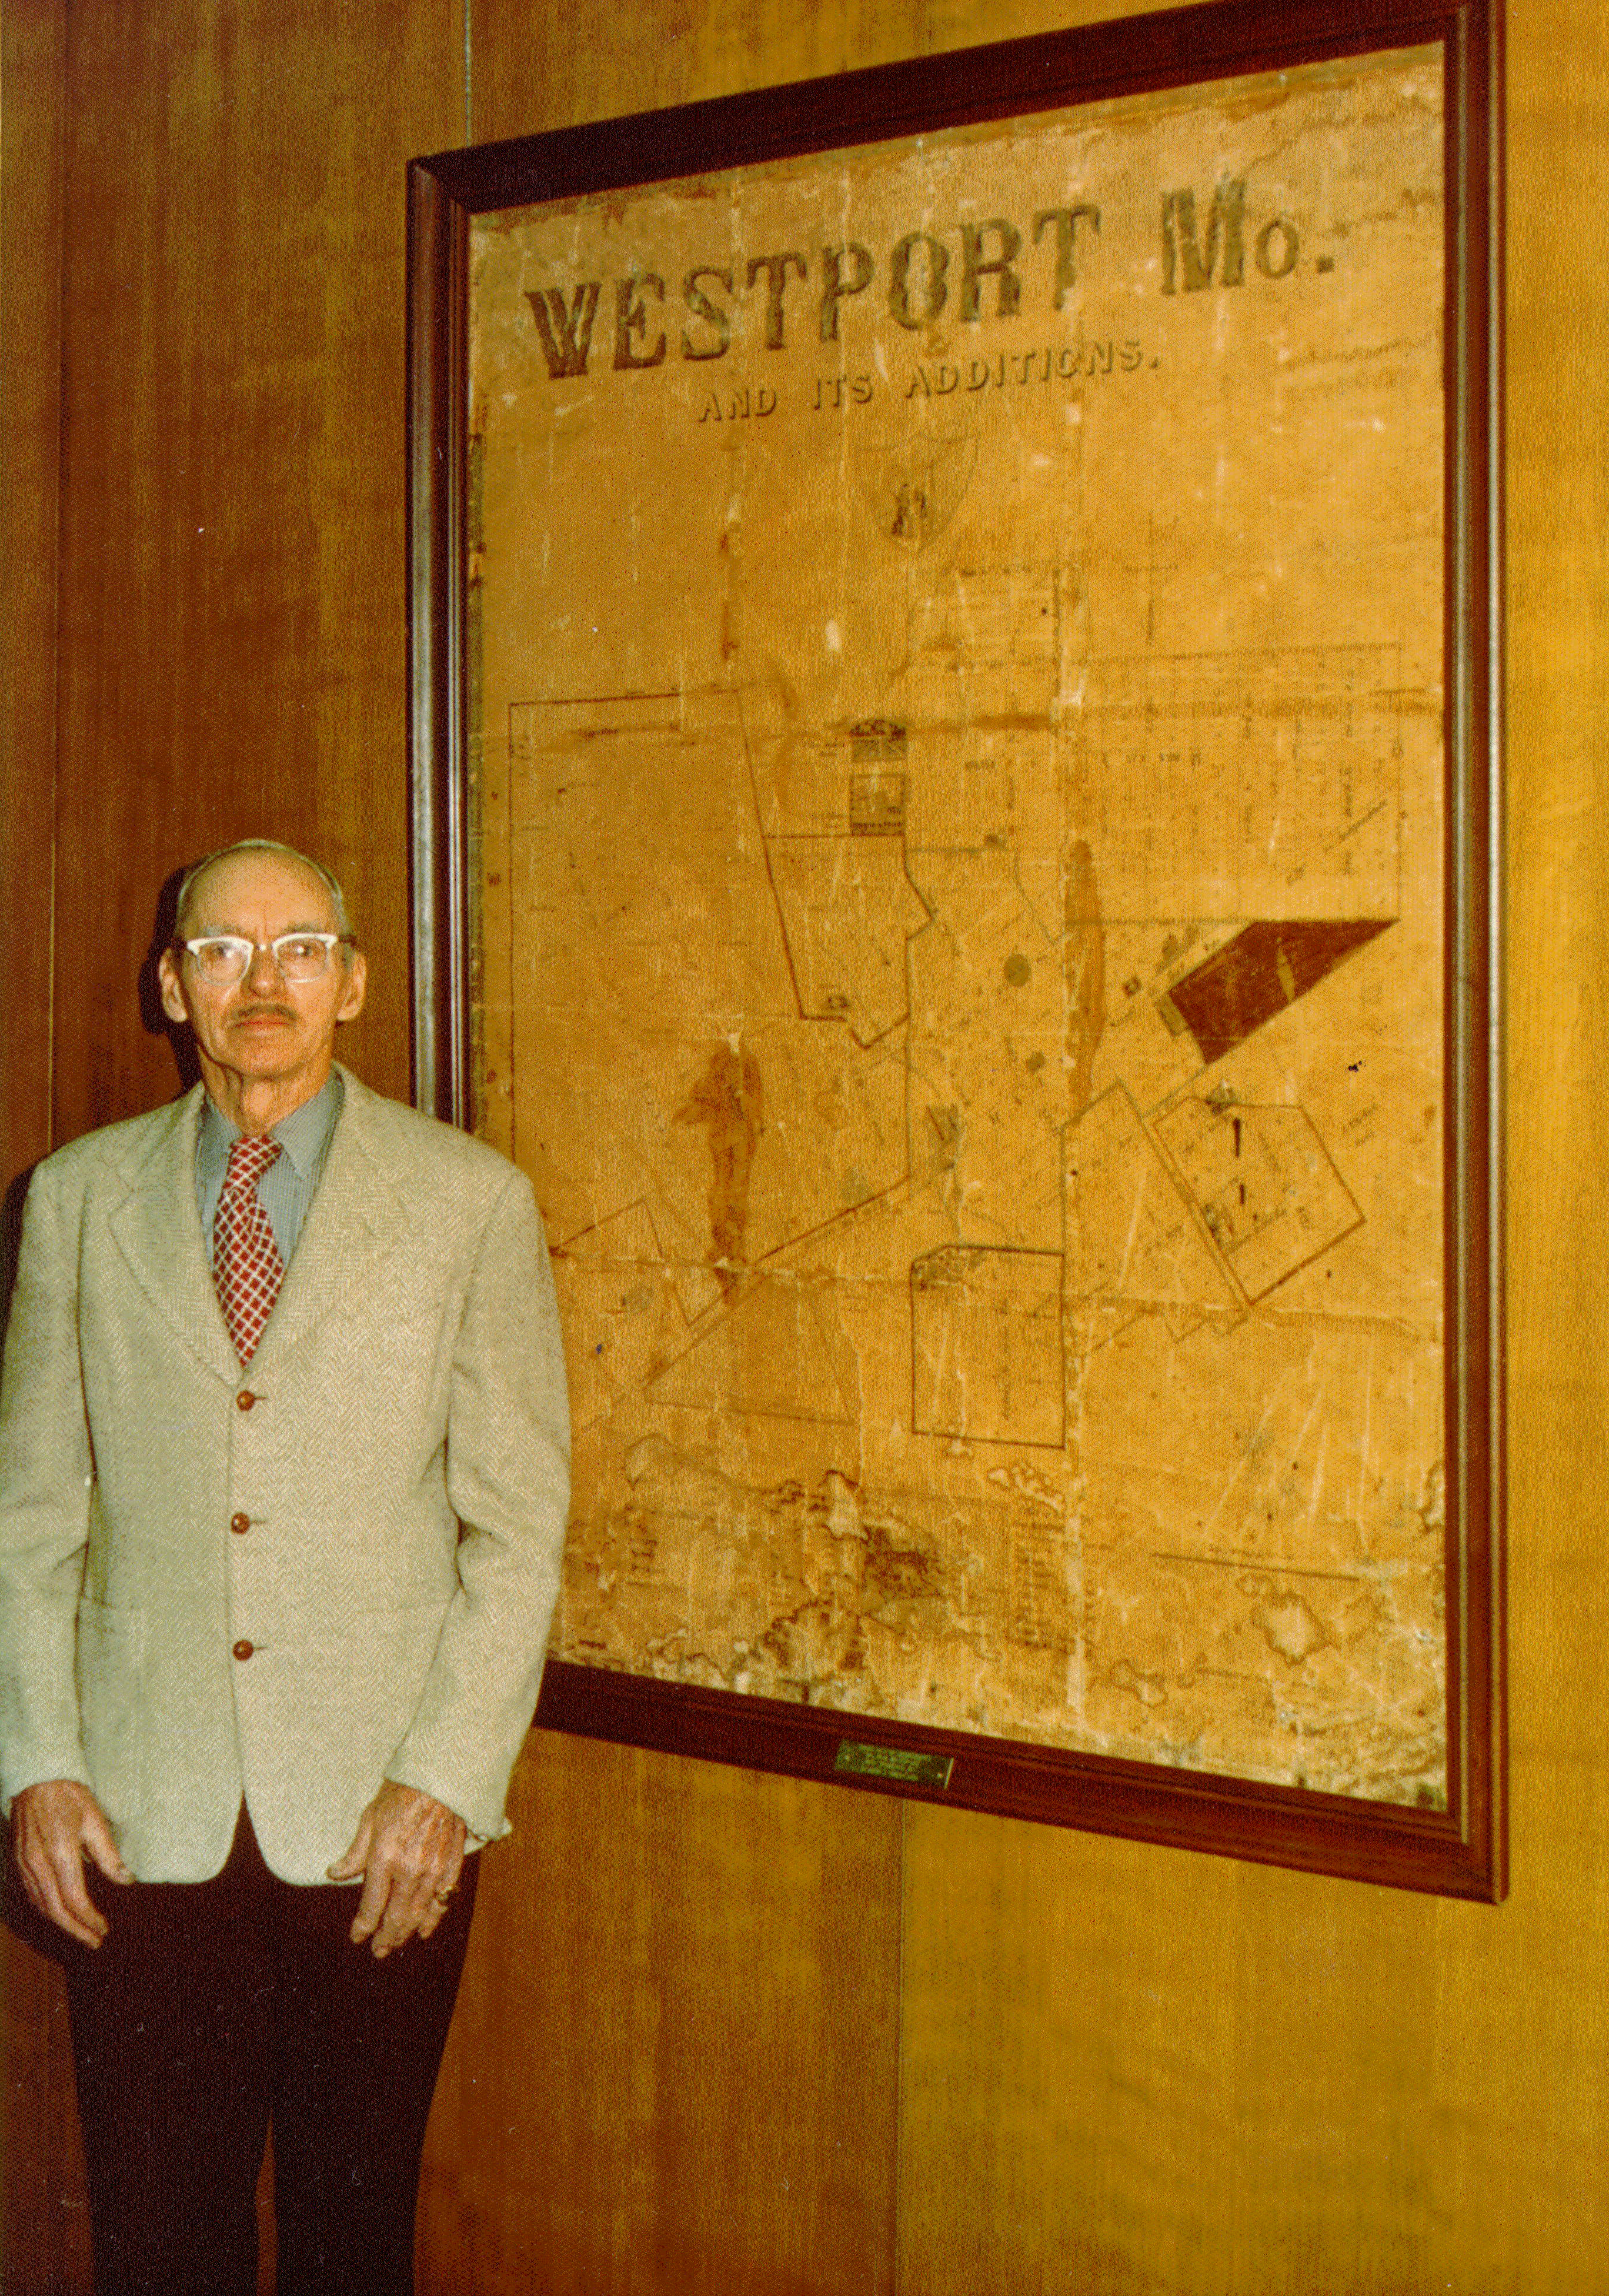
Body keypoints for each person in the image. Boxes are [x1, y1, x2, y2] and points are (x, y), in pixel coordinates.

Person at [0, 839, 571, 2296]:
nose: (265, 981)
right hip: (140, 1814)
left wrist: (444, 1778)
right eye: (224, 950)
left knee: (350, 2233)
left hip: (377, 1826)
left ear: (355, 981)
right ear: (171, 985)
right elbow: (29, 1515)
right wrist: (36, 1763)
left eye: (300, 947)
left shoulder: (470, 1204)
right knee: (157, 2232)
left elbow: (517, 1526)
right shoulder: (74, 1199)